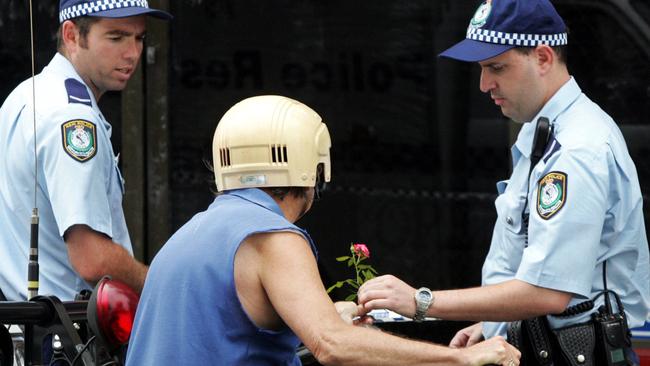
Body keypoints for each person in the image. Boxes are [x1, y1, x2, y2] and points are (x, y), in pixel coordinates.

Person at [125, 95, 520, 365]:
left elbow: (222, 332)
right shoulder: (272, 237)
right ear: (313, 169)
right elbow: (332, 346)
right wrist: (462, 358)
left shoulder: (193, 231)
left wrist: (324, 314)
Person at [357, 0, 649, 363]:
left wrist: (421, 302)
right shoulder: (548, 132)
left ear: (543, 57)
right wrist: (495, 323)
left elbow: (548, 291)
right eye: (481, 69)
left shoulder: (576, 150)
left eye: (496, 67)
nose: (484, 84)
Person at [0, 0, 171, 301]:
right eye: (116, 37)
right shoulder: (72, 117)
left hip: (25, 327)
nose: (132, 53)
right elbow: (92, 258)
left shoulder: (26, 95)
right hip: (67, 335)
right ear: (71, 35)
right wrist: (161, 286)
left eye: (140, 38)